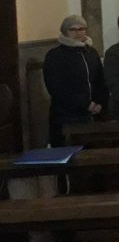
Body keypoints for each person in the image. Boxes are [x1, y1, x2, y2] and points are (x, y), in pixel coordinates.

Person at [43, 15, 107, 146]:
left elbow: (100, 80)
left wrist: (100, 102)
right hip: (67, 115)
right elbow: (56, 88)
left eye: (82, 29)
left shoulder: (91, 53)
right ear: (65, 32)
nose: (78, 32)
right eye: (73, 29)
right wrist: (85, 103)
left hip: (93, 114)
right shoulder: (55, 55)